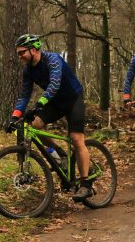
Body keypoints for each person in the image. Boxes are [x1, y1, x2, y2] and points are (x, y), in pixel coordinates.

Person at [5, 34, 92, 202]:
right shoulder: (28, 70)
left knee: (76, 139)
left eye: (22, 52)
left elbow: (54, 84)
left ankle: (86, 185)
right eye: (18, 53)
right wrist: (14, 117)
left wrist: (38, 104)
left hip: (73, 100)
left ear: (34, 49)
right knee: (32, 127)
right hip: (54, 103)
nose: (20, 56)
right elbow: (24, 95)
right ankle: (59, 153)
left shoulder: (52, 60)